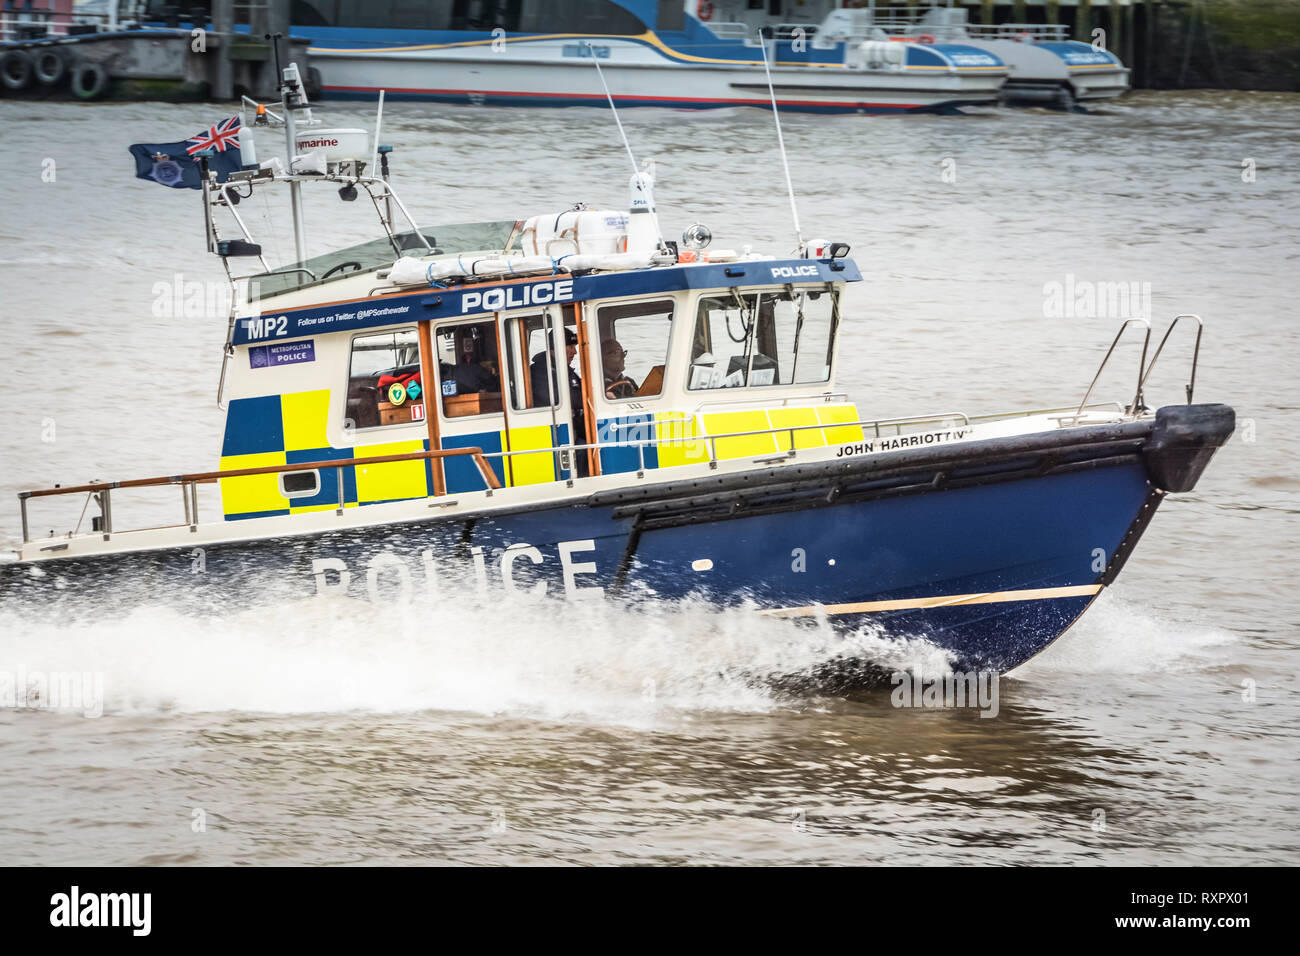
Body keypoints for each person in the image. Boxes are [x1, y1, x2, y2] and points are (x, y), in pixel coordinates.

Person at [530, 328, 589, 477]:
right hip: (552, 432)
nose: (575, 352)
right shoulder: (540, 372)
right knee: (582, 447)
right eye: (570, 347)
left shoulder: (566, 370)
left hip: (575, 427)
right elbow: (559, 398)